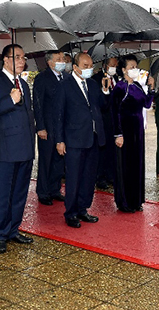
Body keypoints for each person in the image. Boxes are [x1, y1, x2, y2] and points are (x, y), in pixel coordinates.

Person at [0, 44, 35, 254]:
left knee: (19, 193)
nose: (22, 61)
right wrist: (9, 100)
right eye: (17, 57)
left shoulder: (24, 84)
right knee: (3, 193)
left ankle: (13, 230)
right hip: (6, 148)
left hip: (25, 147)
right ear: (5, 60)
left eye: (23, 57)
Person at [55, 52, 110, 228]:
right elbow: (59, 115)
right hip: (74, 139)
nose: (89, 69)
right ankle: (70, 212)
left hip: (93, 137)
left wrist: (105, 90)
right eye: (85, 66)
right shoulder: (64, 85)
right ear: (76, 67)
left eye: (91, 66)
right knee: (73, 177)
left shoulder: (93, 84)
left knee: (88, 177)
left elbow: (102, 106)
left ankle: (82, 208)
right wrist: (59, 140)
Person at [111, 54, 155, 213]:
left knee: (137, 165)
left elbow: (146, 103)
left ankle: (137, 200)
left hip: (138, 131)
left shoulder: (136, 85)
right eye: (131, 67)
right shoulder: (119, 88)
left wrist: (151, 88)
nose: (134, 69)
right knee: (125, 165)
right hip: (125, 130)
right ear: (123, 70)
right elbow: (114, 112)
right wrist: (118, 134)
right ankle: (124, 202)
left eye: (136, 66)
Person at [33, 50, 66, 206]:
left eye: (63, 58)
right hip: (48, 126)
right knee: (46, 160)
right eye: (58, 59)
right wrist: (40, 127)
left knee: (59, 160)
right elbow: (37, 104)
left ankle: (55, 189)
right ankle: (43, 191)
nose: (62, 61)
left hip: (63, 128)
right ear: (50, 62)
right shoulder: (42, 78)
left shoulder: (67, 77)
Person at [92, 56, 119, 189]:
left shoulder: (117, 79)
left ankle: (111, 175)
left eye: (116, 65)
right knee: (102, 149)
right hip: (103, 119)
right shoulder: (97, 79)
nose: (114, 67)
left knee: (112, 150)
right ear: (105, 65)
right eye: (112, 65)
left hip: (115, 119)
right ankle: (100, 177)